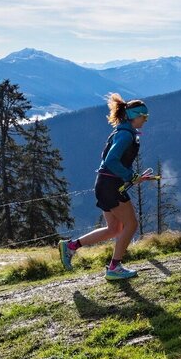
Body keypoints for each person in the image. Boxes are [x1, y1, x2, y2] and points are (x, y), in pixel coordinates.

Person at [58, 94, 151, 281]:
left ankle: (71, 247)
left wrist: (133, 178)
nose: (146, 120)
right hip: (111, 186)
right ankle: (114, 267)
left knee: (114, 229)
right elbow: (111, 160)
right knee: (131, 225)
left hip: (105, 183)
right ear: (135, 116)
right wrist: (130, 176)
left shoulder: (121, 132)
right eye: (144, 117)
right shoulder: (125, 135)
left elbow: (111, 163)